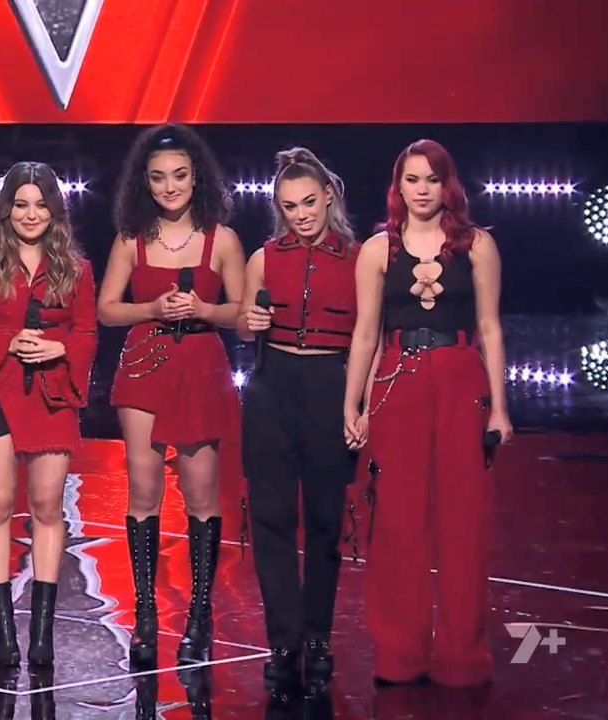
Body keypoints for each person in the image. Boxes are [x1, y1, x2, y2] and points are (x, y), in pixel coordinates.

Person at [343, 139, 512, 687]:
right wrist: (354, 403)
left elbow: (489, 327)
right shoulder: (378, 250)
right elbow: (365, 333)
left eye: (431, 180)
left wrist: (500, 409)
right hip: (398, 381)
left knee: (464, 520)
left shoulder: (477, 245)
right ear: (398, 186)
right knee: (397, 520)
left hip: (461, 380)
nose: (421, 190)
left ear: (447, 185)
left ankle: (463, 656)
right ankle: (400, 654)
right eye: (412, 179)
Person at [96, 124, 244, 667]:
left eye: (179, 175)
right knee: (143, 490)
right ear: (145, 182)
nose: (169, 186)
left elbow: (243, 315)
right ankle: (146, 614)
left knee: (201, 495)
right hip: (144, 364)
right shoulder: (130, 239)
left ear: (196, 177)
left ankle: (199, 616)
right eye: (158, 178)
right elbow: (106, 309)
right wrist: (153, 309)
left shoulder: (222, 240)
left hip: (201, 366)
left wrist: (204, 310)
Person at [0, 161, 97, 668]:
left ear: (54, 210)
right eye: (21, 204)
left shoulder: (75, 268)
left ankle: (42, 636)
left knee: (47, 506)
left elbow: (87, 331)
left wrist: (60, 348)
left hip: (51, 395)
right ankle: (5, 634)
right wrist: (5, 342)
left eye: (40, 205)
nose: (31, 214)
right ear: (5, 209)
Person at [236, 147, 358, 693]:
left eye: (309, 203)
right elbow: (244, 327)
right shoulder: (263, 257)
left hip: (330, 385)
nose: (301, 215)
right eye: (290, 207)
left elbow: (370, 334)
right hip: (272, 387)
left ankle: (317, 638)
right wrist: (250, 319)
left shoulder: (358, 258)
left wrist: (357, 404)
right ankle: (284, 641)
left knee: (326, 522)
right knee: (272, 520)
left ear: (328, 197)